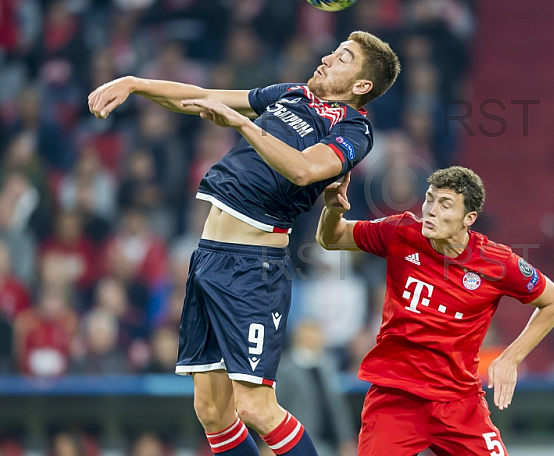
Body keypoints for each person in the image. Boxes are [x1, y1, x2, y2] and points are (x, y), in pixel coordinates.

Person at [87, 31, 400, 456]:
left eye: (343, 57)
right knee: (212, 410)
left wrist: (242, 123)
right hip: (209, 259)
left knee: (255, 407)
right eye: (333, 50)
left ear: (362, 85)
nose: (327, 58)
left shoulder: (353, 129)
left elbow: (306, 170)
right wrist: (135, 84)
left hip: (255, 267)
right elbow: (200, 97)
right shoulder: (293, 93)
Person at [316, 166, 554, 455]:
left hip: (460, 404)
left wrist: (511, 358)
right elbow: (331, 238)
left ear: (469, 219)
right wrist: (333, 210)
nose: (431, 211)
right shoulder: (400, 232)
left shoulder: (498, 263)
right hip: (395, 400)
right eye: (429, 199)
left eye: (445, 204)